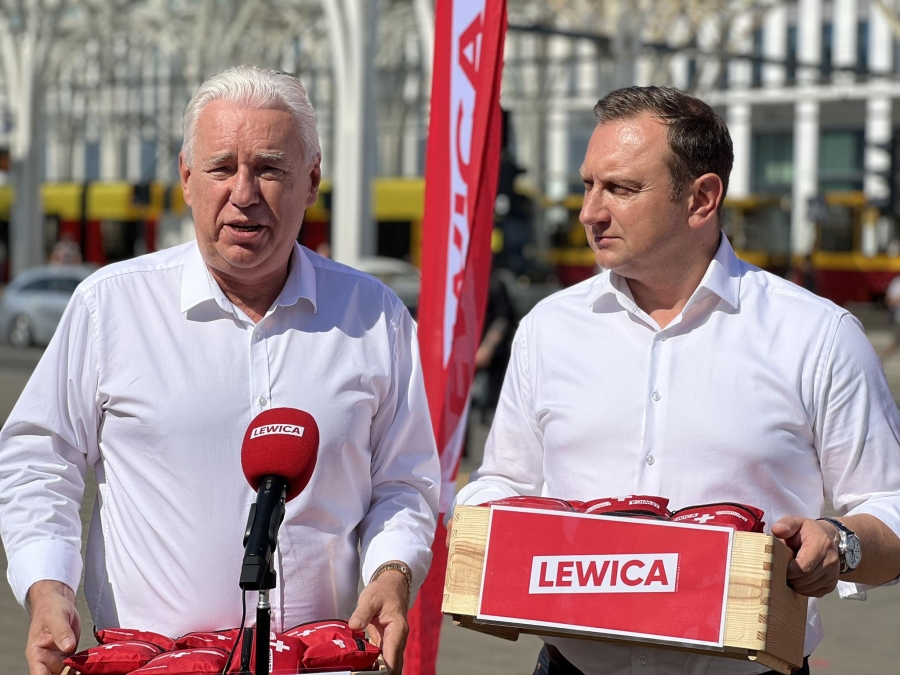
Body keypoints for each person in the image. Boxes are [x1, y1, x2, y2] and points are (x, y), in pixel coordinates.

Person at [0, 66, 439, 675]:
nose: (244, 192)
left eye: (269, 169)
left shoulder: (375, 316)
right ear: (186, 177)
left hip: (320, 662)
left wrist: (393, 572)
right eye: (221, 168)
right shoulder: (111, 307)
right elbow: (39, 459)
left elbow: (405, 482)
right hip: (146, 662)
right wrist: (47, 584)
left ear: (312, 180)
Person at [450, 86, 900, 675]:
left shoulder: (818, 335)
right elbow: (505, 481)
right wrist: (477, 515)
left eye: (620, 189)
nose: (590, 212)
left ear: (701, 198)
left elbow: (889, 507)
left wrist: (839, 544)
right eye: (588, 185)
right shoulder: (548, 328)